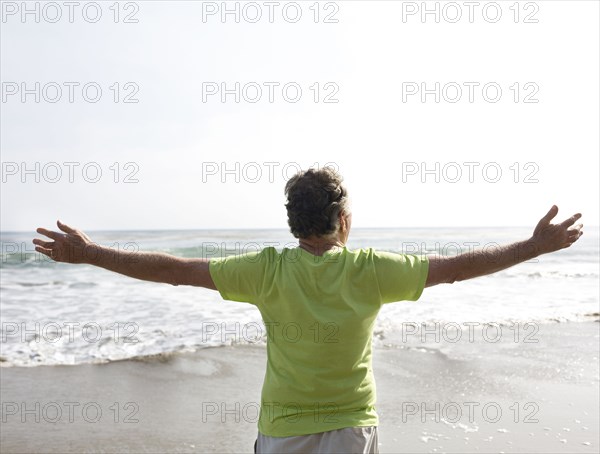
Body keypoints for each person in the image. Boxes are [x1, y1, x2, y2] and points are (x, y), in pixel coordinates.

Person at [33, 167, 583, 454]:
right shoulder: (372, 269)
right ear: (342, 220)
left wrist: (93, 254)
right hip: (350, 428)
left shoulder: (266, 269)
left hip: (283, 431)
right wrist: (532, 247)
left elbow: (176, 270)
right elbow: (457, 267)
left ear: (294, 223)